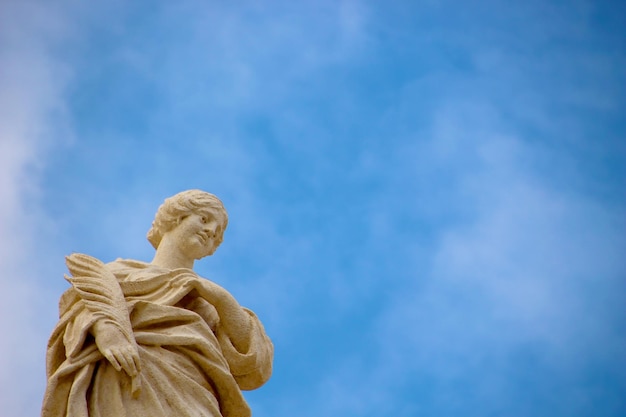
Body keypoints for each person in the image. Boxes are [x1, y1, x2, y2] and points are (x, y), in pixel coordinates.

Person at [42, 190, 273, 417]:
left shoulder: (204, 300)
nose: (211, 230)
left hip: (192, 394)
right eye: (204, 219)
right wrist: (107, 330)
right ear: (177, 216)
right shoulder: (118, 275)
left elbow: (253, 367)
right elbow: (77, 315)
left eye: (218, 232)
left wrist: (222, 299)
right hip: (122, 381)